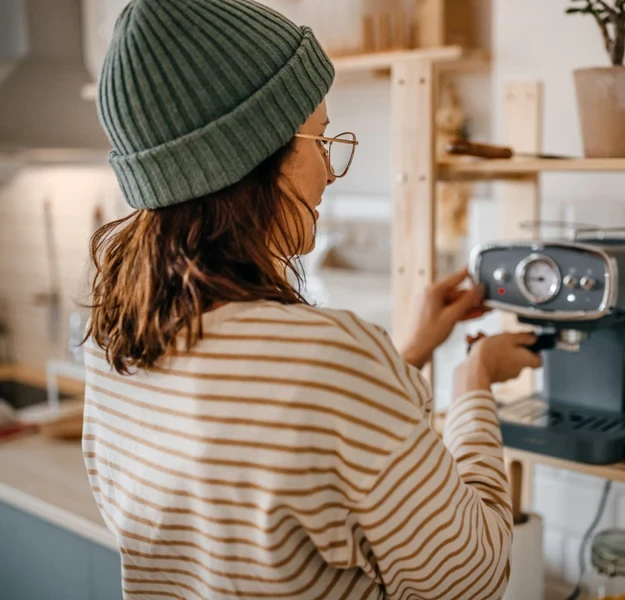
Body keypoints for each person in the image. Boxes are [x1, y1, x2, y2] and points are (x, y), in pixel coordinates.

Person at [81, 1, 542, 599]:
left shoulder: (116, 340)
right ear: (250, 155)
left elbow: (284, 447)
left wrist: (409, 353)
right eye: (319, 139)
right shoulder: (330, 361)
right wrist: (474, 385)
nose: (329, 169)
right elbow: (473, 577)